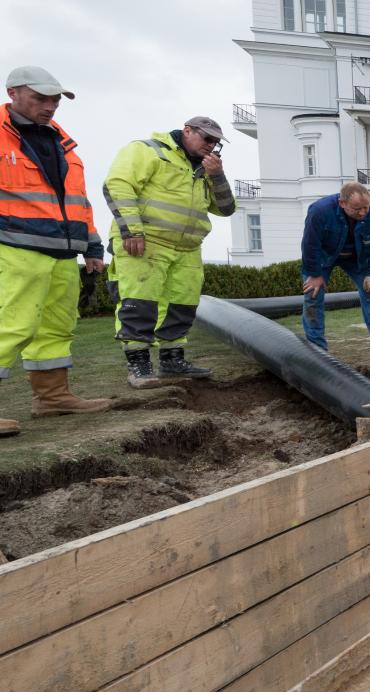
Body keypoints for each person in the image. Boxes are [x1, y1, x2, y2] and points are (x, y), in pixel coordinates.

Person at [0, 66, 113, 436]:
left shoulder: (63, 142)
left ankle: (52, 397)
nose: (50, 106)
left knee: (56, 327)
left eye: (54, 100)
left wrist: (92, 246)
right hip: (14, 247)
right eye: (40, 98)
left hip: (63, 252)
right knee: (11, 324)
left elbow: (79, 202)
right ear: (13, 92)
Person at [104, 115, 236, 387]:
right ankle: (139, 365)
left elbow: (225, 209)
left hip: (187, 248)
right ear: (187, 131)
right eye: (207, 138)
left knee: (181, 304)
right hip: (146, 241)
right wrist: (132, 230)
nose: (211, 146)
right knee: (139, 302)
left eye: (216, 142)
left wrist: (217, 175)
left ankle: (171, 361)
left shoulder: (203, 169)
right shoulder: (148, 151)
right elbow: (117, 184)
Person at [300, 182, 370, 356]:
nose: (363, 212)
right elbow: (309, 244)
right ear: (342, 203)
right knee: (313, 295)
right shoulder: (319, 211)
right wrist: (314, 274)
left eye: (366, 207)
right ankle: (317, 349)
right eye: (357, 208)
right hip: (324, 257)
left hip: (358, 258)